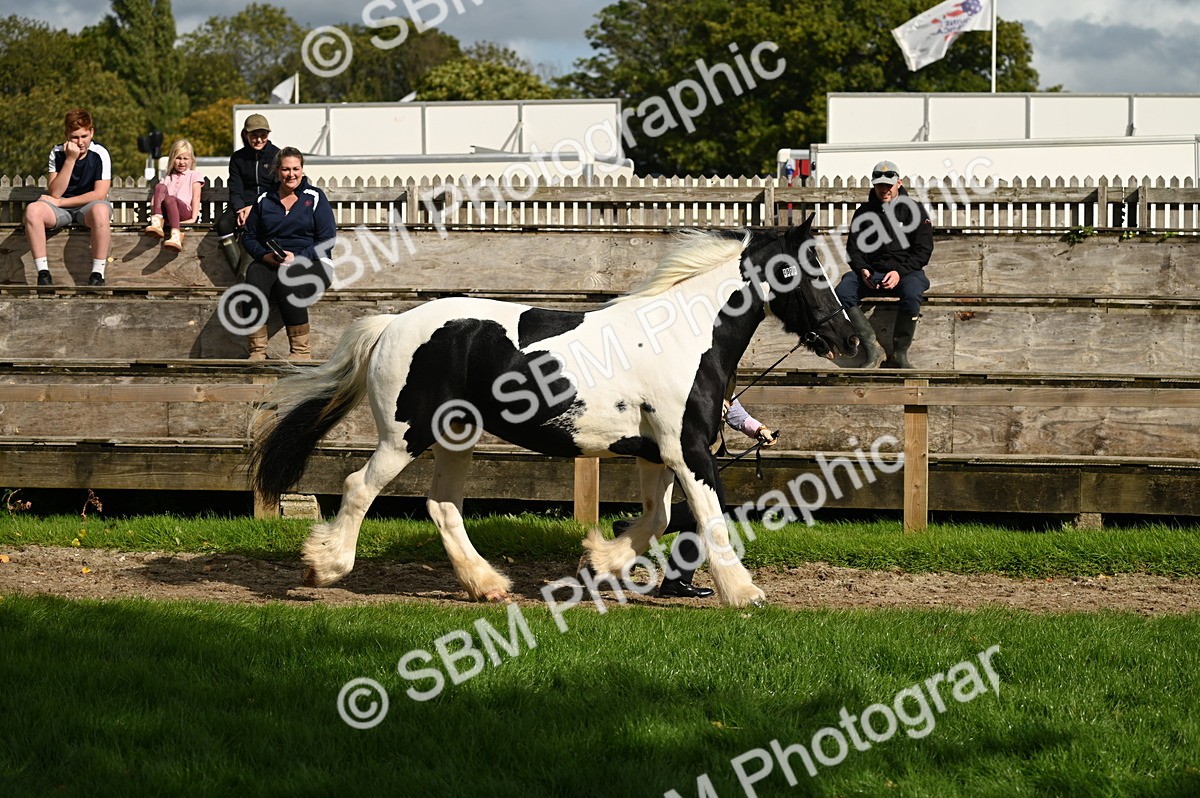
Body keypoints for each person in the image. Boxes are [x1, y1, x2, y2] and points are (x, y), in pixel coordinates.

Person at [600, 399, 778, 599]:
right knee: (712, 507)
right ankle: (638, 539)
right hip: (679, 445)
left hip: (695, 447)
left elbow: (730, 404)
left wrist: (757, 429)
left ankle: (676, 579)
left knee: (705, 509)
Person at [836, 159, 934, 368]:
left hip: (907, 272)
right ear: (874, 185)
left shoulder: (915, 210)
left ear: (899, 183)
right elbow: (853, 250)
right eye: (880, 185)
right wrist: (862, 269)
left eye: (889, 185)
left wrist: (899, 272)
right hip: (871, 273)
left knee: (913, 291)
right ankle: (873, 350)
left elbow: (923, 251)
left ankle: (900, 355)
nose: (884, 190)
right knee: (842, 291)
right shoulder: (863, 212)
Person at [240, 147, 335, 361]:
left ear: (302, 169)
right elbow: (249, 236)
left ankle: (301, 352)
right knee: (253, 279)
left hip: (313, 261)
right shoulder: (264, 199)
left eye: (296, 168)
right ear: (277, 171)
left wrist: (297, 258)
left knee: (289, 282)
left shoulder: (315, 196)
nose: (291, 174)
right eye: (285, 169)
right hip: (273, 259)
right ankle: (257, 350)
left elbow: (327, 239)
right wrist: (264, 256)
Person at [24, 109, 112, 287]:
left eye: (84, 136)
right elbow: (55, 192)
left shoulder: (100, 153)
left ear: (92, 132)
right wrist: (70, 160)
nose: (80, 142)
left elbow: (99, 194)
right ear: (66, 135)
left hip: (88, 207)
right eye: (75, 137)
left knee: (101, 210)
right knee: (33, 210)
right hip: (59, 210)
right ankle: (43, 274)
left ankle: (97, 274)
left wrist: (61, 202)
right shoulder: (56, 153)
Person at [216, 113, 280, 276]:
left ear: (268, 135)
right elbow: (235, 188)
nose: (259, 140)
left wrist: (256, 207)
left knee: (257, 227)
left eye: (263, 135)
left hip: (269, 204)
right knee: (223, 224)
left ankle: (245, 277)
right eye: (254, 135)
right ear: (246, 134)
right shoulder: (238, 158)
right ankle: (241, 273)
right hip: (243, 205)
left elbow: (277, 188)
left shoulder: (277, 155)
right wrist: (240, 209)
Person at [144, 139, 204, 252]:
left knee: (169, 199)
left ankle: (176, 236)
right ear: (172, 159)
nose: (182, 162)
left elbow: (196, 197)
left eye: (185, 158)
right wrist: (156, 215)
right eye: (178, 158)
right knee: (160, 187)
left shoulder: (194, 175)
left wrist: (193, 218)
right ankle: (157, 223)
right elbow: (154, 201)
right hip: (168, 214)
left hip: (184, 211)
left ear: (191, 160)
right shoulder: (167, 178)